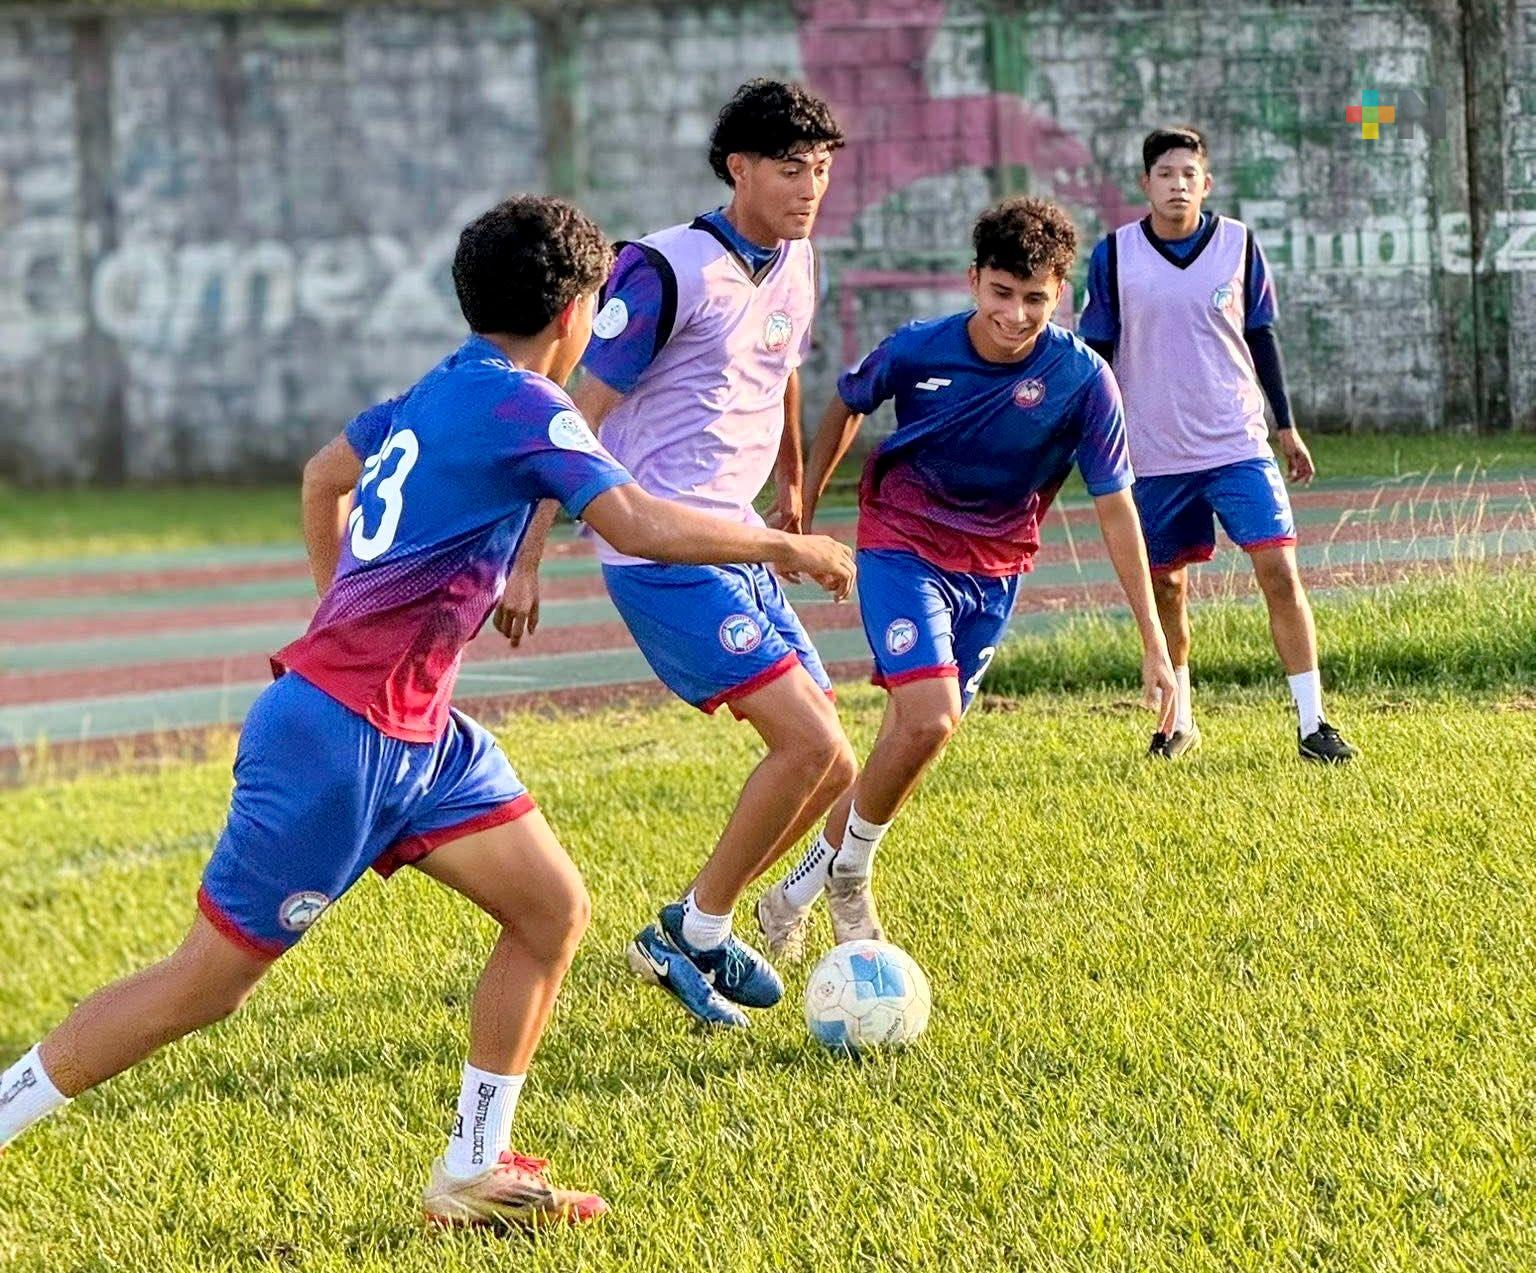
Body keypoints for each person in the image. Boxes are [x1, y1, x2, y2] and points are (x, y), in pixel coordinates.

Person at [0, 196, 853, 1227]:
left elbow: (326, 476)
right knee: (202, 989)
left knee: (550, 911)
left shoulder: (446, 385)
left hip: (422, 739)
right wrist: (782, 545)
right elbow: (634, 522)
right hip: (338, 744)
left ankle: (472, 1171)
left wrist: (335, 613)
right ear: (579, 310)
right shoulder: (533, 410)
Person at [500, 79, 854, 1029]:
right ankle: (697, 927)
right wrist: (531, 554)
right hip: (661, 552)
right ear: (738, 168)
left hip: (737, 536)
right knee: (812, 742)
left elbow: (780, 365)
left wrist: (790, 487)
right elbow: (571, 419)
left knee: (836, 763)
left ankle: (693, 928)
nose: (810, 187)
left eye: (821, 170)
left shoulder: (799, 258)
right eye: (791, 168)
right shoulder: (664, 270)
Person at [757, 197, 1178, 956]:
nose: (1016, 315)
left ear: (1062, 295)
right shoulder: (920, 349)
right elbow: (847, 403)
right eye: (1001, 293)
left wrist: (1154, 641)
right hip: (901, 546)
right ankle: (851, 876)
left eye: (1036, 299)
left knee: (907, 744)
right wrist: (808, 506)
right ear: (974, 279)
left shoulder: (1084, 381)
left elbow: (1117, 508)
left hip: (995, 572)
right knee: (931, 715)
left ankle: (794, 893)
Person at [1077, 125, 1358, 763]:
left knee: (1280, 571)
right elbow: (1096, 352)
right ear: (1144, 184)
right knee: (1168, 589)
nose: (1178, 185)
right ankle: (1178, 723)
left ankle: (1314, 724)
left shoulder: (1238, 244)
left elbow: (1261, 336)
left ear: (1207, 183)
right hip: (1151, 453)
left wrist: (1285, 425)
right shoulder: (1114, 255)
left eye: (1189, 174)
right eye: (1165, 174)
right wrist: (1085, 435)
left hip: (1237, 444)